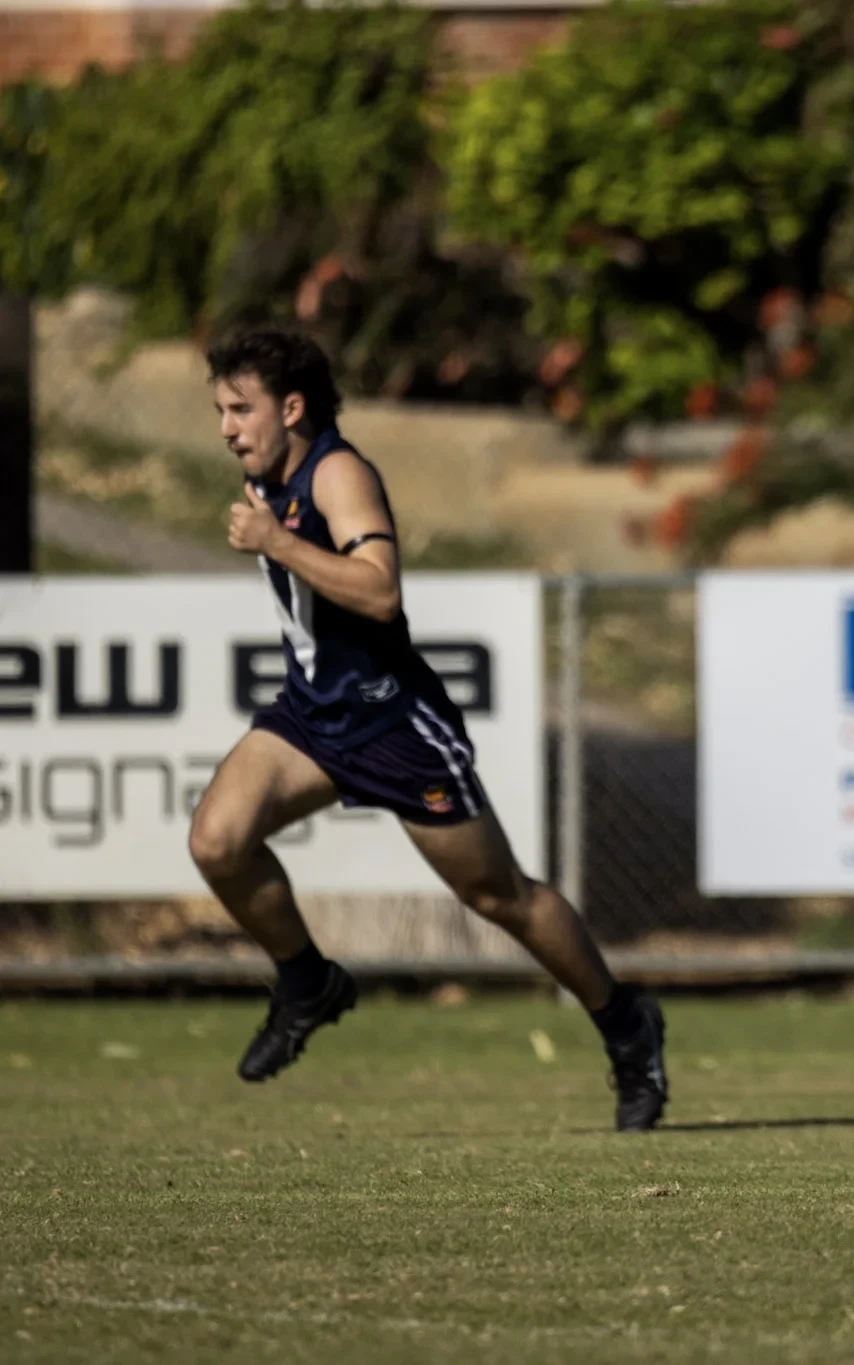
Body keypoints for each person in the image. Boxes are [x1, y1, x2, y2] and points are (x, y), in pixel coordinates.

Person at [188, 328, 670, 1132]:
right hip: (313, 715)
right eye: (220, 411)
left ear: (293, 407)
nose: (227, 427)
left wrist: (276, 542)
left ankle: (625, 1022)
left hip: (393, 724)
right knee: (216, 841)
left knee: (499, 895)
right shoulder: (265, 479)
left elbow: (379, 593)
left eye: (242, 408)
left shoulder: (337, 473)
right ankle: (308, 981)